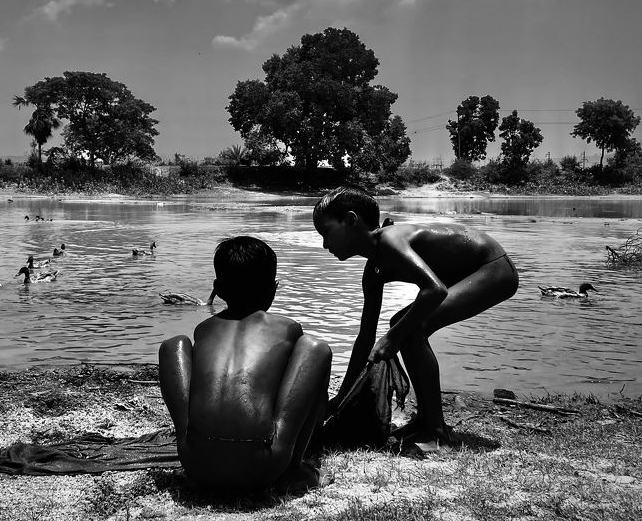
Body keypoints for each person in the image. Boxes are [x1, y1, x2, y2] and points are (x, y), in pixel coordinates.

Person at [313, 186, 519, 447]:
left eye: (326, 232)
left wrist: (392, 337)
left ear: (351, 220)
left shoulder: (389, 239)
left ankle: (435, 429)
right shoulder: (373, 271)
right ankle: (426, 421)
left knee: (409, 327)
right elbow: (365, 338)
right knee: (403, 325)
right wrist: (341, 399)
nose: (324, 244)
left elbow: (435, 290)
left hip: (493, 268)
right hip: (467, 273)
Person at [158, 236, 332, 494]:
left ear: (218, 289)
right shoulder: (287, 328)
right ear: (274, 288)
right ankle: (294, 470)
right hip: (265, 466)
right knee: (316, 349)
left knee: (173, 345)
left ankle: (189, 442)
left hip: (197, 464)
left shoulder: (204, 329)